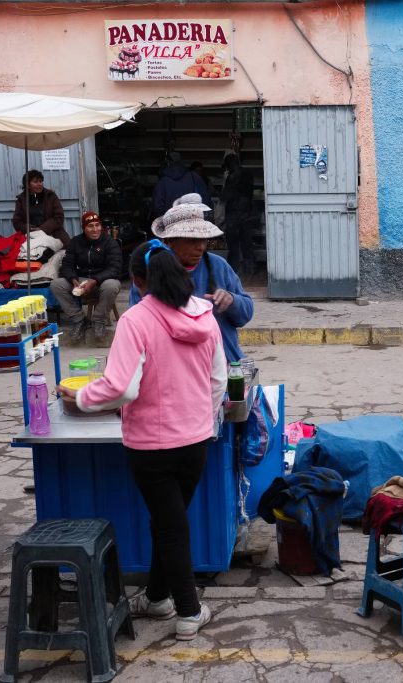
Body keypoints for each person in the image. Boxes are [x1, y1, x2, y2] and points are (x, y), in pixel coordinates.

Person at [59, 239, 227, 641]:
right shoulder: (204, 316)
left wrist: (81, 396)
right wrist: (198, 416)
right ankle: (157, 597)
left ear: (137, 279)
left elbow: (121, 388)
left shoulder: (136, 320)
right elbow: (218, 380)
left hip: (151, 446)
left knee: (170, 525)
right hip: (195, 442)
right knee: (167, 520)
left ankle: (188, 612)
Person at [129, 193, 254, 362]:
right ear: (170, 241)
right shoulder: (151, 273)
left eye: (203, 239)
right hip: (176, 369)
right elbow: (138, 331)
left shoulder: (218, 265)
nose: (201, 247)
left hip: (225, 362)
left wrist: (232, 301)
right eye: (192, 240)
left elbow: (245, 314)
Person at [50, 211, 123, 346]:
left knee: (112, 285)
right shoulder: (75, 242)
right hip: (81, 280)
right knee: (56, 284)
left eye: (97, 225)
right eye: (90, 226)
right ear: (84, 228)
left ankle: (98, 321)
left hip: (102, 282)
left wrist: (94, 281)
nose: (95, 229)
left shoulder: (110, 243)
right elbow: (66, 265)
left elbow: (115, 269)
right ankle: (79, 320)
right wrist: (73, 280)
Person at [219, 152, 258, 277]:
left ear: (229, 165)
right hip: (247, 213)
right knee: (247, 244)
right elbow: (250, 193)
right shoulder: (248, 174)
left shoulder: (231, 177)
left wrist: (224, 182)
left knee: (233, 245)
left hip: (234, 216)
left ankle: (233, 270)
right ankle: (250, 268)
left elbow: (225, 197)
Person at [11, 170, 69, 248]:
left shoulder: (50, 196)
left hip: (53, 233)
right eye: (35, 182)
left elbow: (59, 217)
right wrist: (31, 229)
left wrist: (42, 229)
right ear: (27, 185)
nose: (39, 184)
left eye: (41, 181)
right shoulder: (21, 200)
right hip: (30, 235)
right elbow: (17, 222)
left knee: (67, 250)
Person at [153, 152, 211, 219]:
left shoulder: (163, 181)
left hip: (170, 221)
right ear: (180, 161)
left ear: (168, 162)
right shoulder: (194, 177)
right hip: (192, 220)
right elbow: (205, 199)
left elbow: (157, 206)